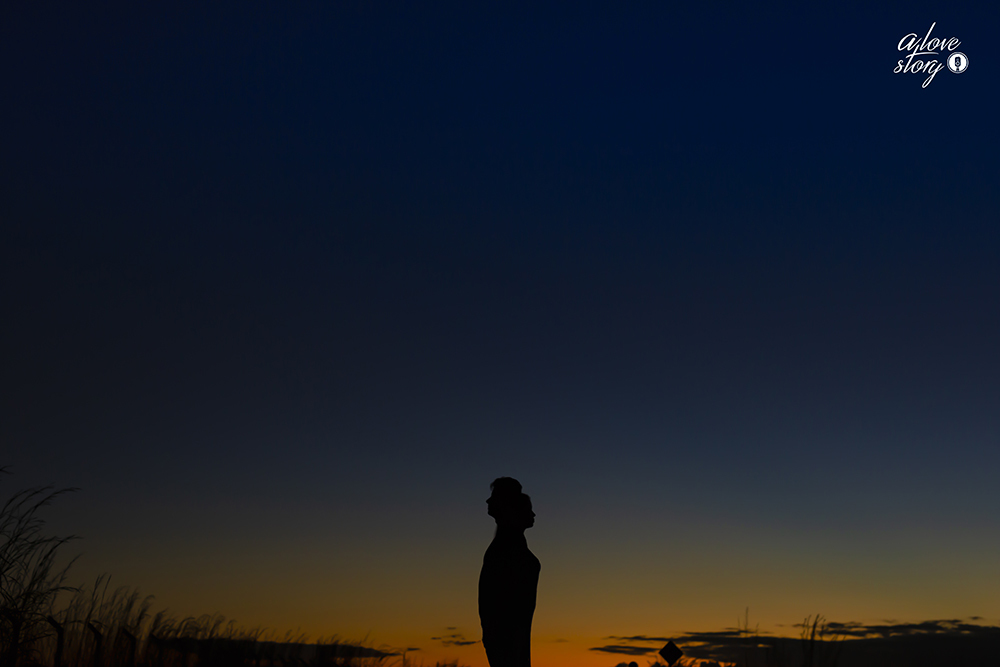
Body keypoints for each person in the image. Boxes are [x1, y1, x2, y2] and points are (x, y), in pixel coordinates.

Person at [478, 477, 540, 667]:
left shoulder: (508, 544)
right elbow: (503, 605)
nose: (488, 501)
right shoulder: (506, 547)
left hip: (510, 638)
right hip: (507, 638)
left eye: (493, 497)